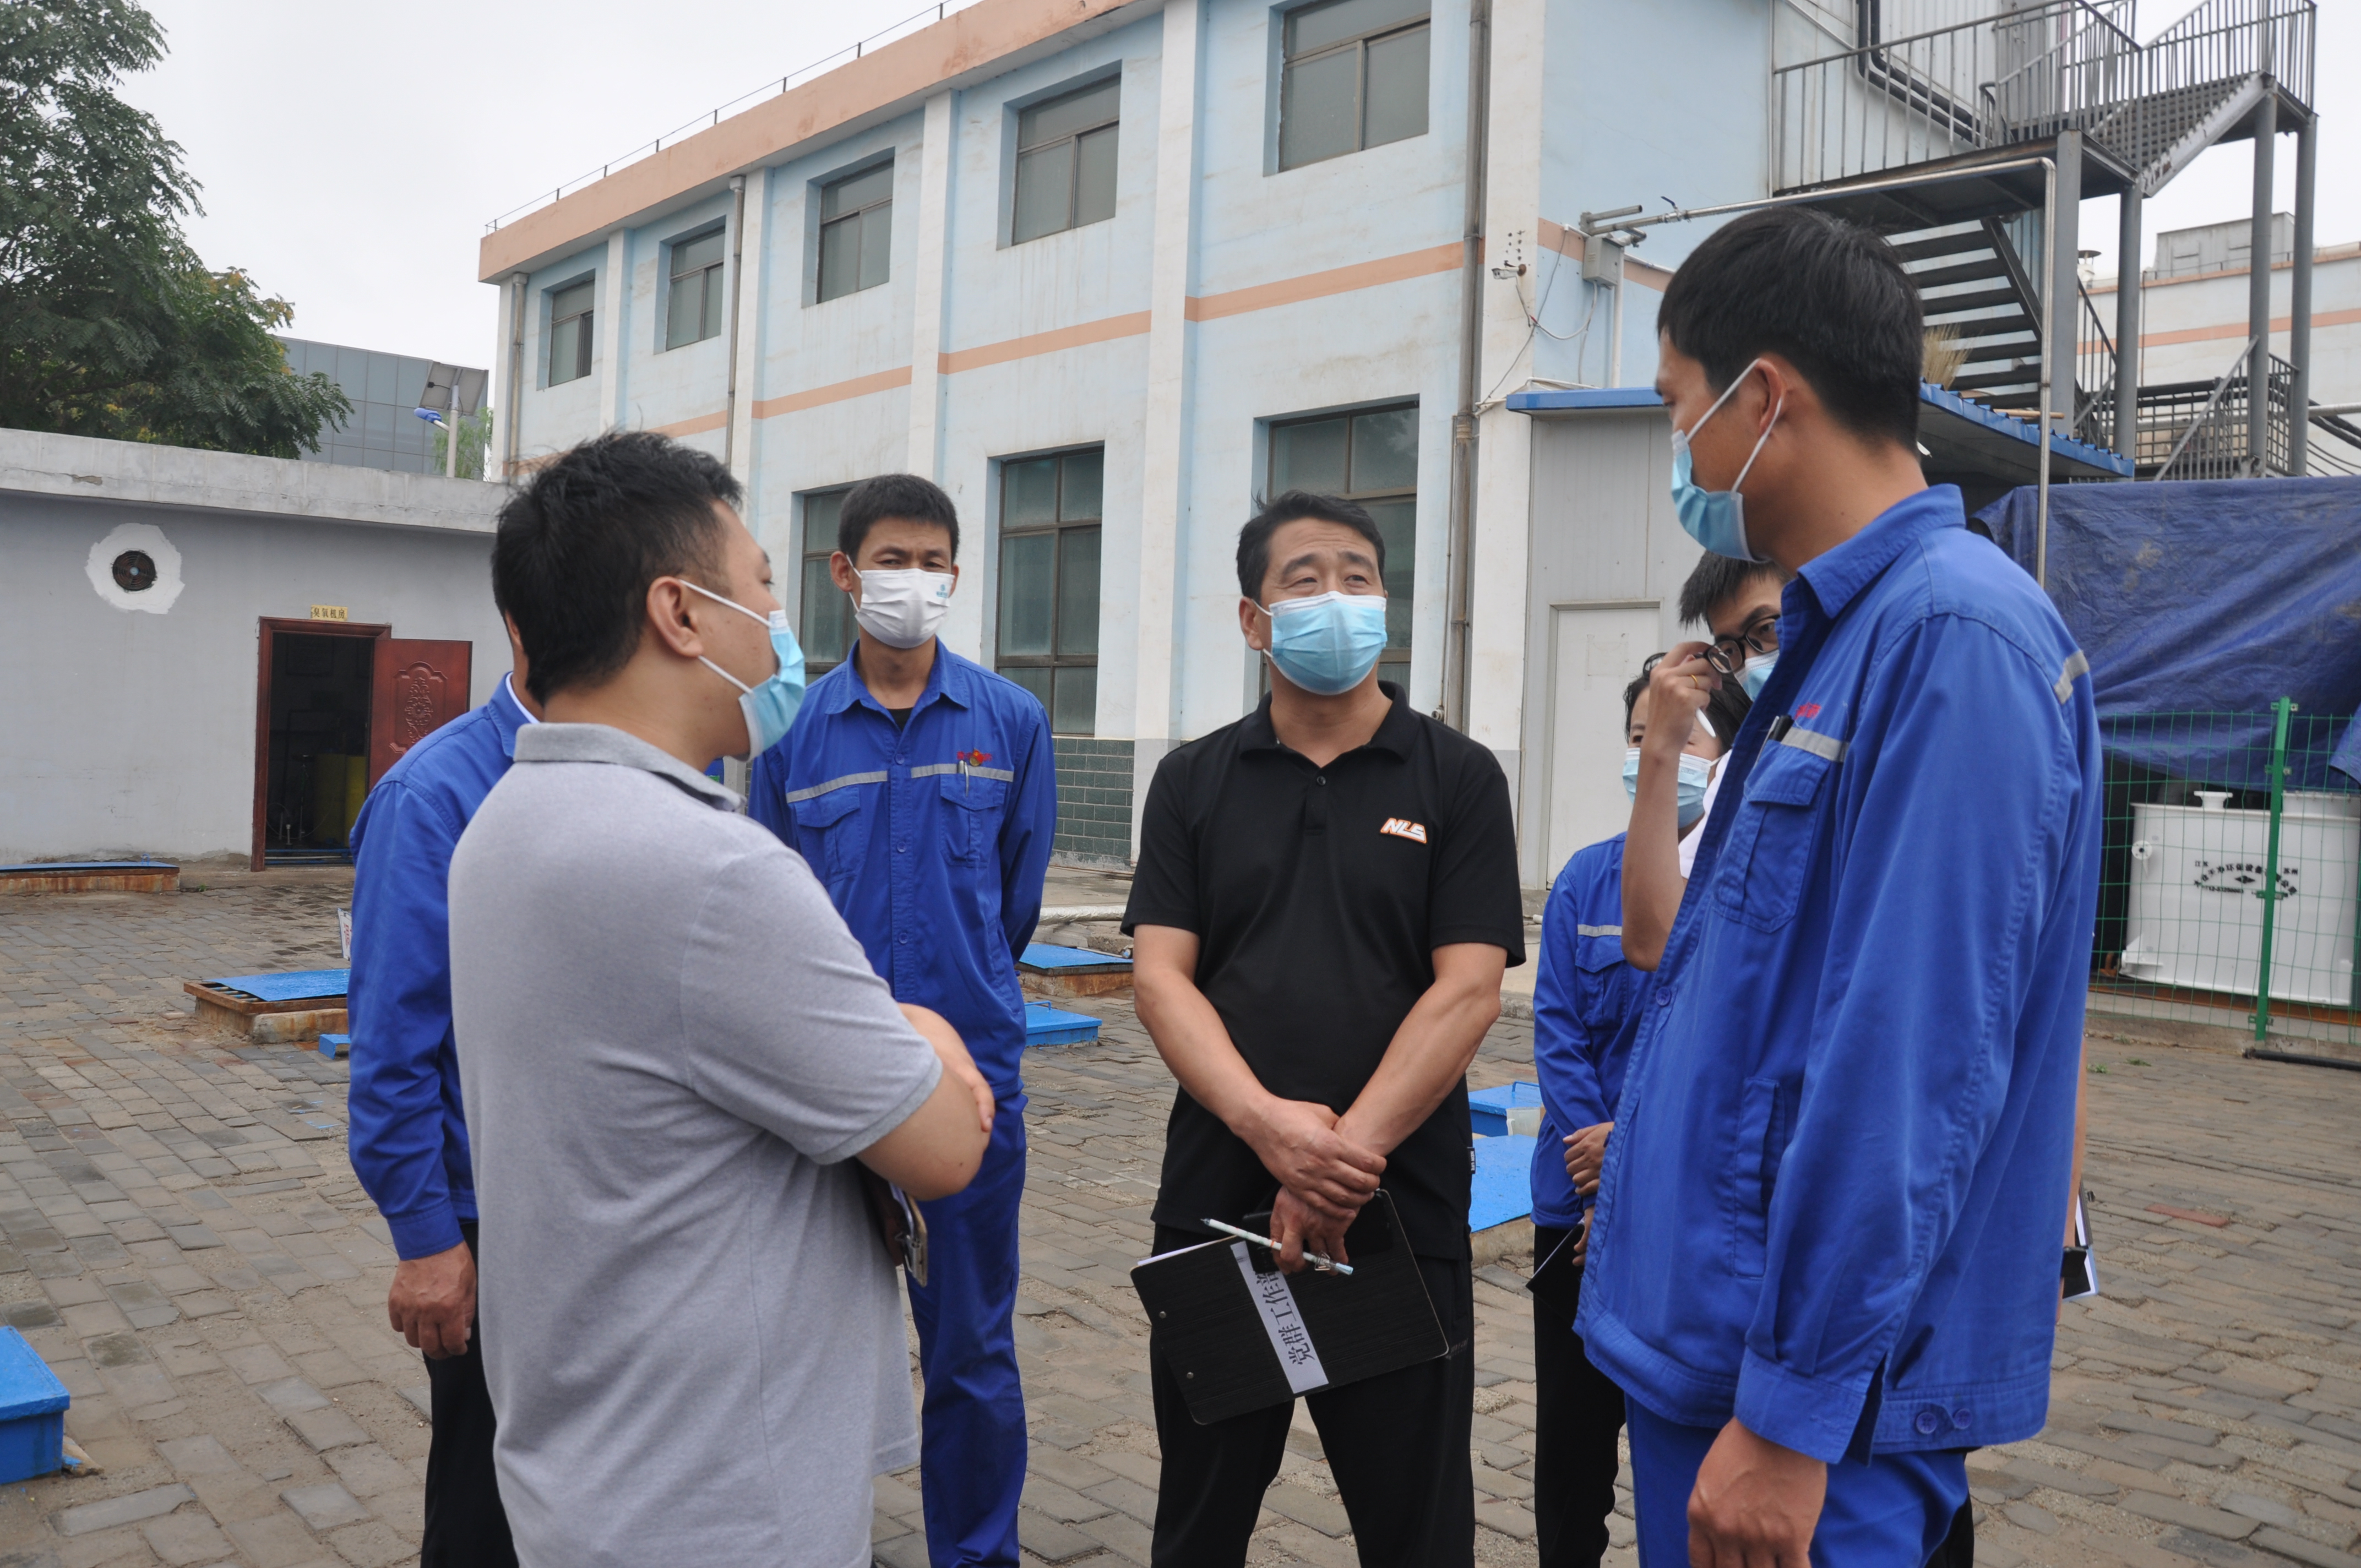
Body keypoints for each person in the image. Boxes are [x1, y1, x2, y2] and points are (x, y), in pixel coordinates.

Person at [1575, 206, 2102, 1567]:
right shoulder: (1845, 634)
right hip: (1723, 1349)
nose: (1682, 453)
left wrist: (1792, 1411)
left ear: (1762, 399)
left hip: (1806, 1412)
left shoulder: (1950, 638)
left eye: (1678, 408)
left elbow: (1910, 1058)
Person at [446, 431, 995, 1568]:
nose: (779, 623)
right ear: (680, 613)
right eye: (760, 585)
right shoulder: (710, 868)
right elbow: (943, 1145)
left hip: (589, 1459)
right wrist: (927, 1027)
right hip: (723, 1494)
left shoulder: (505, 819)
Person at [1123, 491, 1527, 1568]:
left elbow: (1468, 990)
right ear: (1253, 619)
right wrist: (1269, 1128)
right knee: (1199, 1524)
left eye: (1358, 576)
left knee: (1416, 1532)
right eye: (1304, 579)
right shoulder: (1193, 779)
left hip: (1396, 1215)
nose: (1337, 596)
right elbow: (1160, 979)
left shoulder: (1457, 776)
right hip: (1219, 1208)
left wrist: (1336, 1161)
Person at [749, 473, 1056, 1568]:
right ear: (845, 572)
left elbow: (1015, 904)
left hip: (967, 1088)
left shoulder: (1010, 723)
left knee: (970, 1347)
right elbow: (765, 904)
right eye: (892, 561)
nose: (913, 582)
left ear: (956, 576)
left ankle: (974, 1553)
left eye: (933, 563)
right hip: (818, 1085)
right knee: (800, 1343)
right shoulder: (788, 737)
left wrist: (955, 1005)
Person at [1527, 664, 1747, 1567]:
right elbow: (1556, 1029)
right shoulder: (1587, 879)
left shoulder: (1746, 885)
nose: (1653, 752)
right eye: (1641, 736)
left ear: (1729, 754)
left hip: (1682, 1215)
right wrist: (1596, 1180)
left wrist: (1634, 1152)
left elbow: (1732, 1050)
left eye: (1683, 736)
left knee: (1685, 1448)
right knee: (1571, 1451)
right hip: (1572, 1212)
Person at [347, 634, 538, 1567]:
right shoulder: (433, 794)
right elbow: (392, 1046)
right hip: (489, 1214)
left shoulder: (670, 767)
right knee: (485, 1504)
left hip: (610, 1211)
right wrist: (427, 1239)